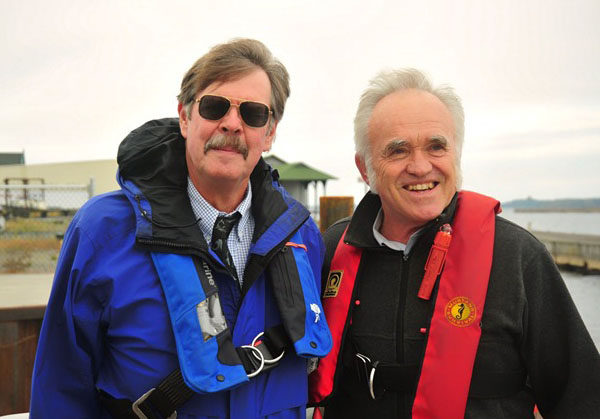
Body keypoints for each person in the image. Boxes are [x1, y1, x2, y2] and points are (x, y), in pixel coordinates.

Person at [30, 38, 332, 419]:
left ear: (269, 133)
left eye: (253, 114)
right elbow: (61, 389)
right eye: (214, 107)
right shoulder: (102, 231)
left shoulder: (302, 236)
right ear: (185, 117)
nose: (232, 123)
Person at [308, 68, 600, 418]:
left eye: (436, 146)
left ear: (456, 156)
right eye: (398, 151)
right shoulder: (329, 251)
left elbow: (581, 397)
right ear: (365, 168)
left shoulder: (518, 257)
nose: (420, 166)